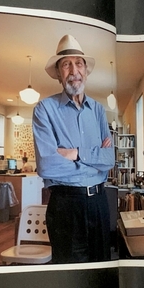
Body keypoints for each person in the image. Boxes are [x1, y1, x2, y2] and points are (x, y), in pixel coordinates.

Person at [32, 34, 114, 263]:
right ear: (58, 74)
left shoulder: (98, 110)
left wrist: (75, 153)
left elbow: (109, 160)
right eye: (66, 64)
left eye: (78, 63)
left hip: (99, 203)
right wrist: (93, 162)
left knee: (102, 269)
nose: (73, 70)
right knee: (70, 275)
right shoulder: (44, 110)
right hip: (65, 205)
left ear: (86, 71)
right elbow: (47, 166)